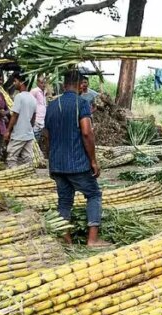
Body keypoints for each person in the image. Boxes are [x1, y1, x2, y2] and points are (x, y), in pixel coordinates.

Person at [43, 69, 109, 248]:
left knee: (64, 201)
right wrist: (93, 161)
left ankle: (67, 241)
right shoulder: (82, 104)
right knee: (93, 195)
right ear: (81, 85)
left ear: (64, 85)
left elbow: (46, 135)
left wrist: (51, 160)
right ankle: (93, 240)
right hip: (77, 163)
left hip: (57, 163)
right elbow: (87, 133)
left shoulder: (52, 105)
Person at [4, 73, 36, 168]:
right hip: (28, 134)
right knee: (28, 159)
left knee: (11, 158)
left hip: (19, 134)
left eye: (15, 81)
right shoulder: (33, 98)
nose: (14, 83)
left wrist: (8, 131)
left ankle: (14, 178)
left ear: (21, 82)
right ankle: (29, 177)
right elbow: (33, 118)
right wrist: (29, 128)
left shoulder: (19, 97)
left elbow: (15, 115)